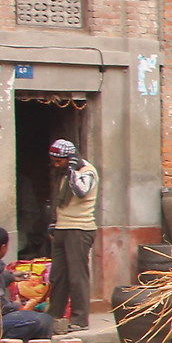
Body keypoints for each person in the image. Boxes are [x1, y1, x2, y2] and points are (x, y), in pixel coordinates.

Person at [45, 138, 99, 329]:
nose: (56, 164)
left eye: (59, 161)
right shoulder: (62, 174)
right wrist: (54, 223)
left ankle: (79, 319)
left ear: (70, 159)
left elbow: (81, 192)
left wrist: (73, 171)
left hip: (79, 229)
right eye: (54, 161)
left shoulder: (86, 172)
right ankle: (54, 316)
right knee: (58, 276)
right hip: (63, 228)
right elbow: (61, 202)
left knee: (77, 276)